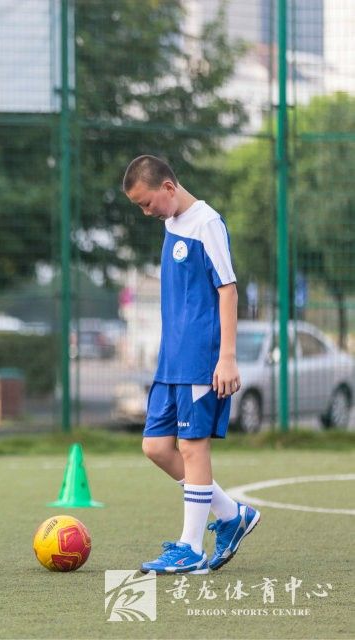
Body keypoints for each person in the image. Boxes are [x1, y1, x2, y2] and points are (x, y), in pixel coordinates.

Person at [122, 155, 260, 574]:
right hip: (172, 359)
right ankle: (233, 514)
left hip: (202, 358)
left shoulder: (207, 224)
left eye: (147, 203)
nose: (146, 212)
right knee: (155, 447)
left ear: (168, 187)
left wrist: (228, 357)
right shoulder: (171, 224)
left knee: (192, 447)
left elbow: (229, 289)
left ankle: (191, 548)